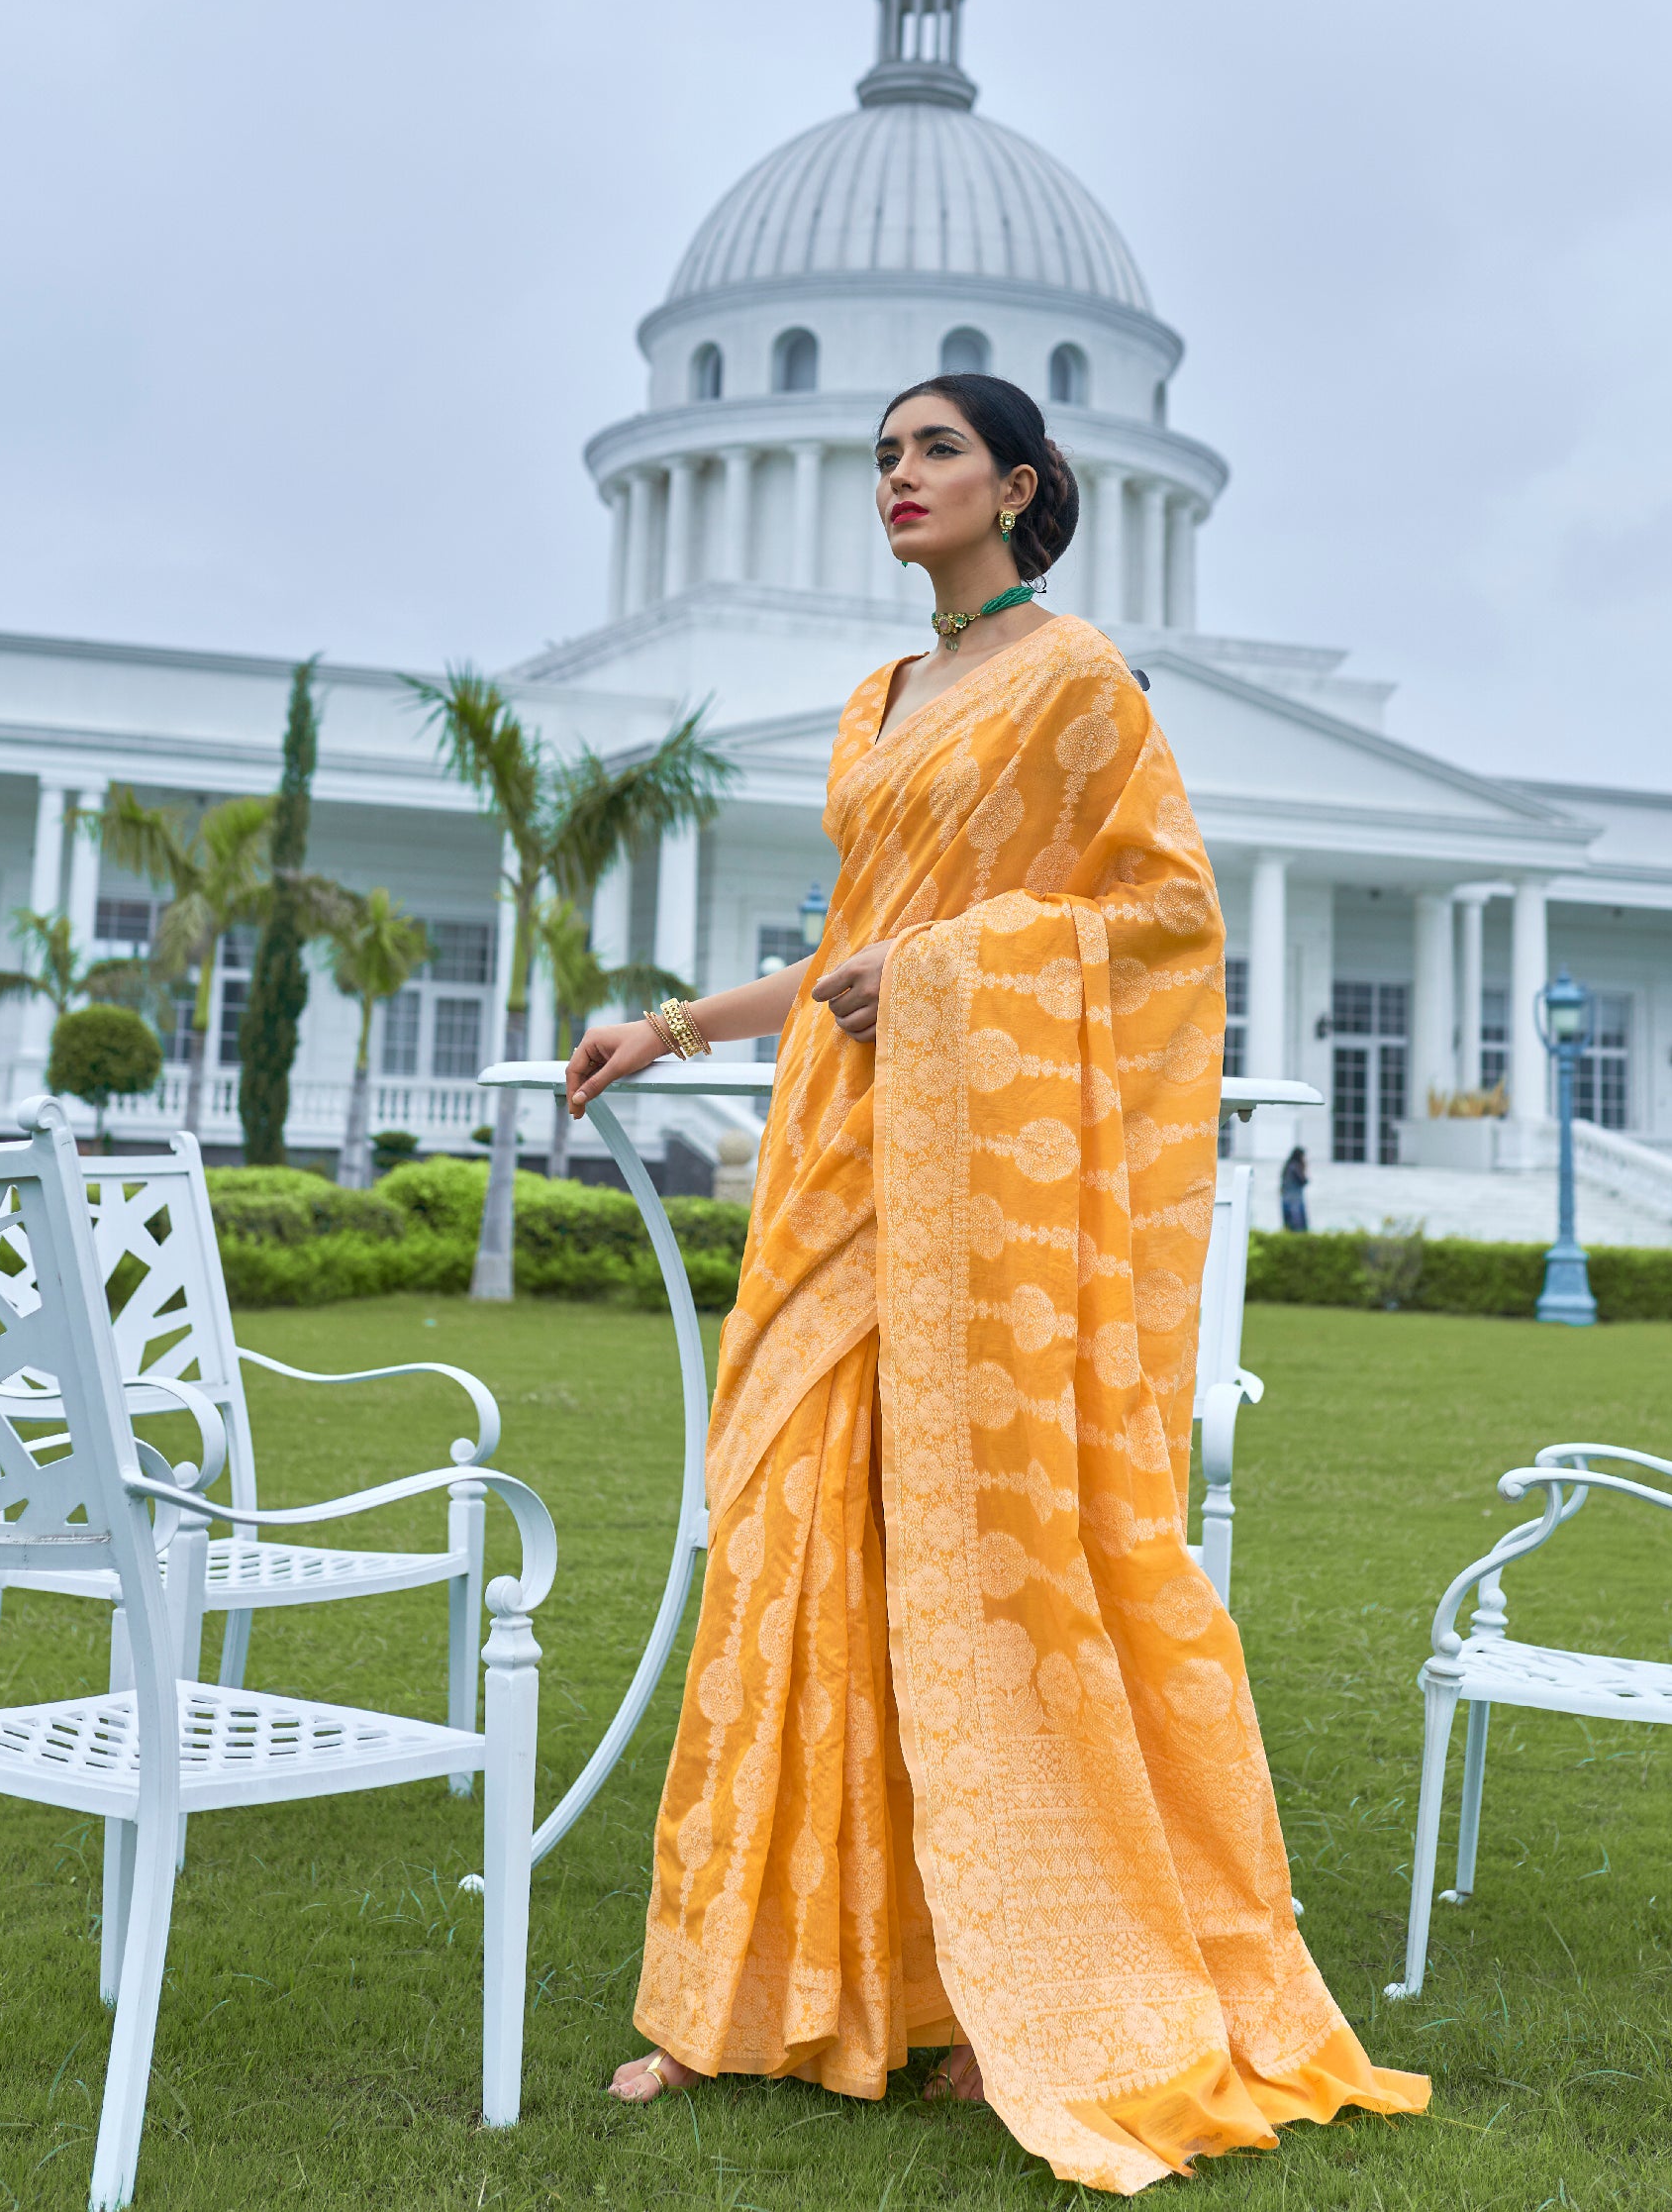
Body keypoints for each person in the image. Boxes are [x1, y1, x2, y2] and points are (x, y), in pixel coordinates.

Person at [566, 374, 1426, 2191]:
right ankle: (760, 1992)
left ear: (1017, 485)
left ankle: (1015, 1979)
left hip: (986, 1195)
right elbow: (841, 954)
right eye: (882, 453)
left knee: (999, 1549)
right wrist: (662, 1024)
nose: (896, 477)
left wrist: (961, 966)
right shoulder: (882, 698)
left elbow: (1164, 915)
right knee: (801, 1542)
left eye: (933, 450)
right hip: (840, 1161)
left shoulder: (1077, 680)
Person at [1281, 1147, 1311, 1234]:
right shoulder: (1295, 1167)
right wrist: (1305, 1168)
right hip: (1295, 1200)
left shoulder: (1288, 1166)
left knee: (1289, 1225)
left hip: (1286, 1199)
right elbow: (1304, 1181)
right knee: (1298, 1227)